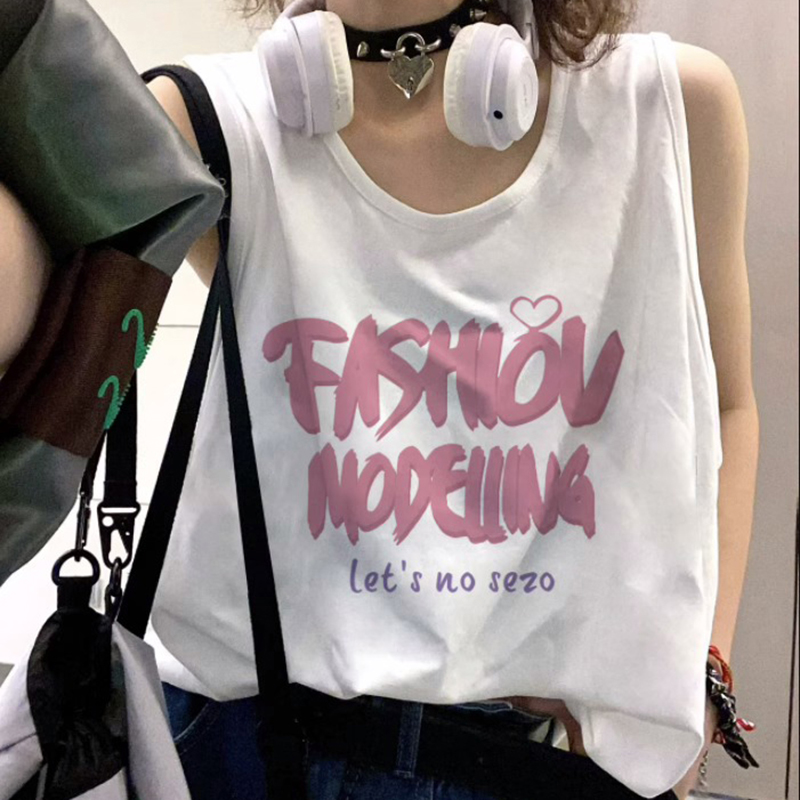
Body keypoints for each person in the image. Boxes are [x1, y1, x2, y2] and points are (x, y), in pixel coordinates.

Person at [2, 1, 757, 799]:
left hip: (545, 760)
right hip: (243, 747)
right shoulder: (203, 123)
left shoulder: (668, 106)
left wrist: (706, 673)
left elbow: (728, 406)